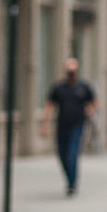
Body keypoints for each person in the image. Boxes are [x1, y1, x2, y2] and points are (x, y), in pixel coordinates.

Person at [41, 58, 96, 197]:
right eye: (68, 72)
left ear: (77, 72)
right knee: (62, 154)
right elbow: (49, 105)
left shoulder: (84, 87)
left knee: (72, 154)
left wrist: (90, 110)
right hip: (62, 125)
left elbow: (93, 102)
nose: (71, 74)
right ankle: (69, 179)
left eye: (73, 72)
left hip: (77, 125)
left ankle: (72, 184)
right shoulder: (59, 87)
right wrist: (45, 123)